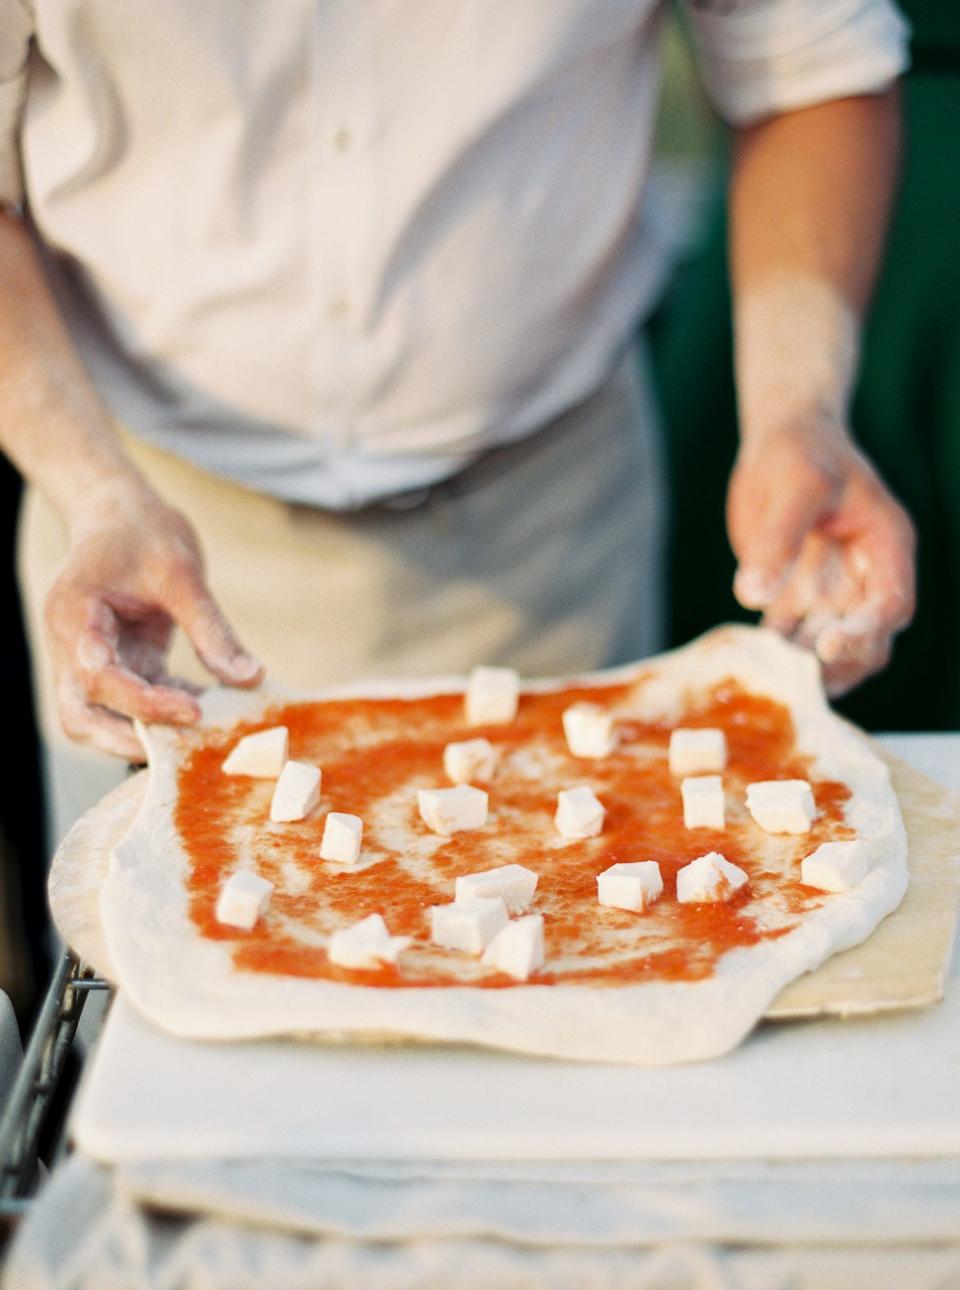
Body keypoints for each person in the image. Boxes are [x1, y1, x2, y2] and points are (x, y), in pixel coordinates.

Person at [0, 1, 916, 850]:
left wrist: (799, 403)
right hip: (146, 556)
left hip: (550, 549)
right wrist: (95, 490)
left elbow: (811, 61)